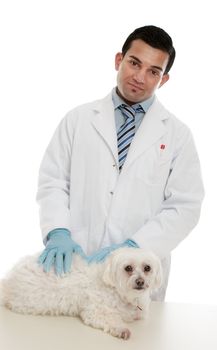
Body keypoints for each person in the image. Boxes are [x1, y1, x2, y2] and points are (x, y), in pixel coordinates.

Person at [37, 25, 204, 300]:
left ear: (164, 80)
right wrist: (57, 231)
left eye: (153, 71)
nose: (140, 77)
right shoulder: (78, 120)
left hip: (138, 277)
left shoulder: (178, 135)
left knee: (136, 341)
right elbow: (53, 181)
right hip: (79, 263)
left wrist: (135, 246)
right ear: (119, 60)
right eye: (134, 63)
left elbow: (185, 206)